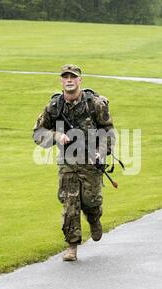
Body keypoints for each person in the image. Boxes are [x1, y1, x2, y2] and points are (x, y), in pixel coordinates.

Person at [32, 64, 115, 261]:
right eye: (65, 77)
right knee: (70, 202)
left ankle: (94, 218)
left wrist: (101, 153)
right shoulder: (54, 106)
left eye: (73, 77)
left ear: (80, 80)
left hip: (91, 161)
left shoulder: (95, 104)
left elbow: (108, 131)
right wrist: (56, 135)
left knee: (91, 201)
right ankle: (72, 246)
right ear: (61, 81)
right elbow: (37, 132)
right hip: (67, 162)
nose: (69, 80)